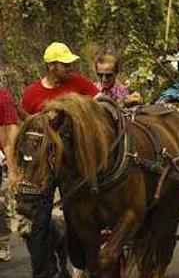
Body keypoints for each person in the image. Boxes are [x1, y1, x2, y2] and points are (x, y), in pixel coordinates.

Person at [21, 42, 99, 278]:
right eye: (64, 64)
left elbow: (99, 103)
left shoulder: (79, 84)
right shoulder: (32, 93)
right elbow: (27, 129)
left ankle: (80, 264)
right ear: (51, 66)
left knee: (76, 218)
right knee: (37, 223)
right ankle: (45, 272)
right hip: (43, 166)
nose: (69, 68)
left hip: (73, 165)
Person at [0, 85, 19, 262]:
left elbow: (9, 134)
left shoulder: (3, 97)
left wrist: (13, 168)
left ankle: (3, 242)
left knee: (1, 203)